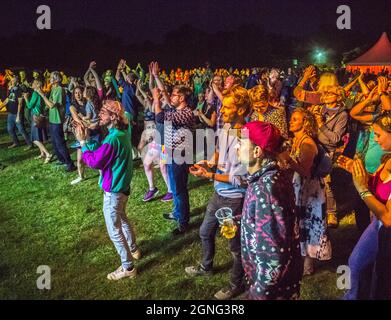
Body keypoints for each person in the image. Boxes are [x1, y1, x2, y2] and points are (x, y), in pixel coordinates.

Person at [186, 85, 250, 300]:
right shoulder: (225, 129)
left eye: (228, 107)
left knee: (235, 245)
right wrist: (209, 162)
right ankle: (206, 267)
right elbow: (218, 151)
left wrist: (209, 175)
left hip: (234, 200)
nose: (222, 111)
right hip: (217, 194)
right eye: (222, 107)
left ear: (241, 110)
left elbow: (240, 180)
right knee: (205, 231)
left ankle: (236, 284)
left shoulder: (246, 138)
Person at [74, 100, 141, 281]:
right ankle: (133, 249)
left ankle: (127, 267)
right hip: (123, 187)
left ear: (113, 117)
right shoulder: (122, 130)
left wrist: (82, 142)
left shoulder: (113, 138)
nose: (99, 115)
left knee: (114, 229)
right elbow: (125, 115)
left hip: (114, 191)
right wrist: (89, 137)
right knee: (123, 218)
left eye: (103, 112)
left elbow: (94, 161)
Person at [238, 121, 302, 300]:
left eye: (241, 142)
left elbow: (274, 252)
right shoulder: (267, 178)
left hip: (273, 289)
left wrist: (259, 293)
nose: (236, 146)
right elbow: (272, 221)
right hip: (271, 283)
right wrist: (241, 220)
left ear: (257, 152)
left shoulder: (266, 189)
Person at [338, 111, 391, 299]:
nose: (375, 140)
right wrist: (357, 171)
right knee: (356, 264)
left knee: (376, 277)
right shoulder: (387, 159)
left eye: (378, 134)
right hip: (377, 225)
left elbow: (388, 218)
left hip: (385, 228)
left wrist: (362, 189)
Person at [279, 108, 332, 275]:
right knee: (300, 224)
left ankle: (307, 266)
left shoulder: (307, 144)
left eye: (295, 119)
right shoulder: (296, 140)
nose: (291, 121)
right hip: (299, 188)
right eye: (292, 118)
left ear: (305, 123)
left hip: (309, 191)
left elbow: (305, 172)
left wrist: (288, 159)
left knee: (307, 225)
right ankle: (300, 260)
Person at [151, 61, 195, 235]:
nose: (171, 96)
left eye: (175, 95)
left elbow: (160, 117)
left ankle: (183, 222)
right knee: (175, 187)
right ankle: (177, 212)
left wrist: (156, 99)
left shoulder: (185, 113)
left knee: (179, 189)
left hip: (180, 156)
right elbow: (167, 100)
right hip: (170, 153)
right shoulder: (177, 110)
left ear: (182, 98)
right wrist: (156, 77)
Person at [36, 71, 76, 172]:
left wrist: (42, 94)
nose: (50, 79)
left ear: (56, 79)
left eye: (51, 77)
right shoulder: (53, 89)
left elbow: (52, 105)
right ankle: (61, 159)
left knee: (60, 143)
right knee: (54, 142)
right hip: (52, 119)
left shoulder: (59, 89)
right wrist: (43, 113)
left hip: (58, 120)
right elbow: (48, 105)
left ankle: (70, 164)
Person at [23, 78, 52, 162]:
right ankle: (42, 153)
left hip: (36, 117)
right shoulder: (41, 93)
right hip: (40, 116)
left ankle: (47, 154)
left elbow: (29, 106)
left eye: (34, 83)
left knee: (35, 139)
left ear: (38, 85)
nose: (32, 84)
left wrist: (25, 98)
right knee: (38, 136)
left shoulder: (35, 93)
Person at [0, 75, 32, 149]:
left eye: (14, 81)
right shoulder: (12, 90)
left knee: (21, 130)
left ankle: (29, 144)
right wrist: (0, 107)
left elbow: (20, 104)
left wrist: (18, 115)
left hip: (17, 114)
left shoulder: (19, 90)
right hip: (10, 114)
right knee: (10, 129)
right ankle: (16, 142)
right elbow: (7, 100)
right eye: (11, 80)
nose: (12, 82)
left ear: (17, 82)